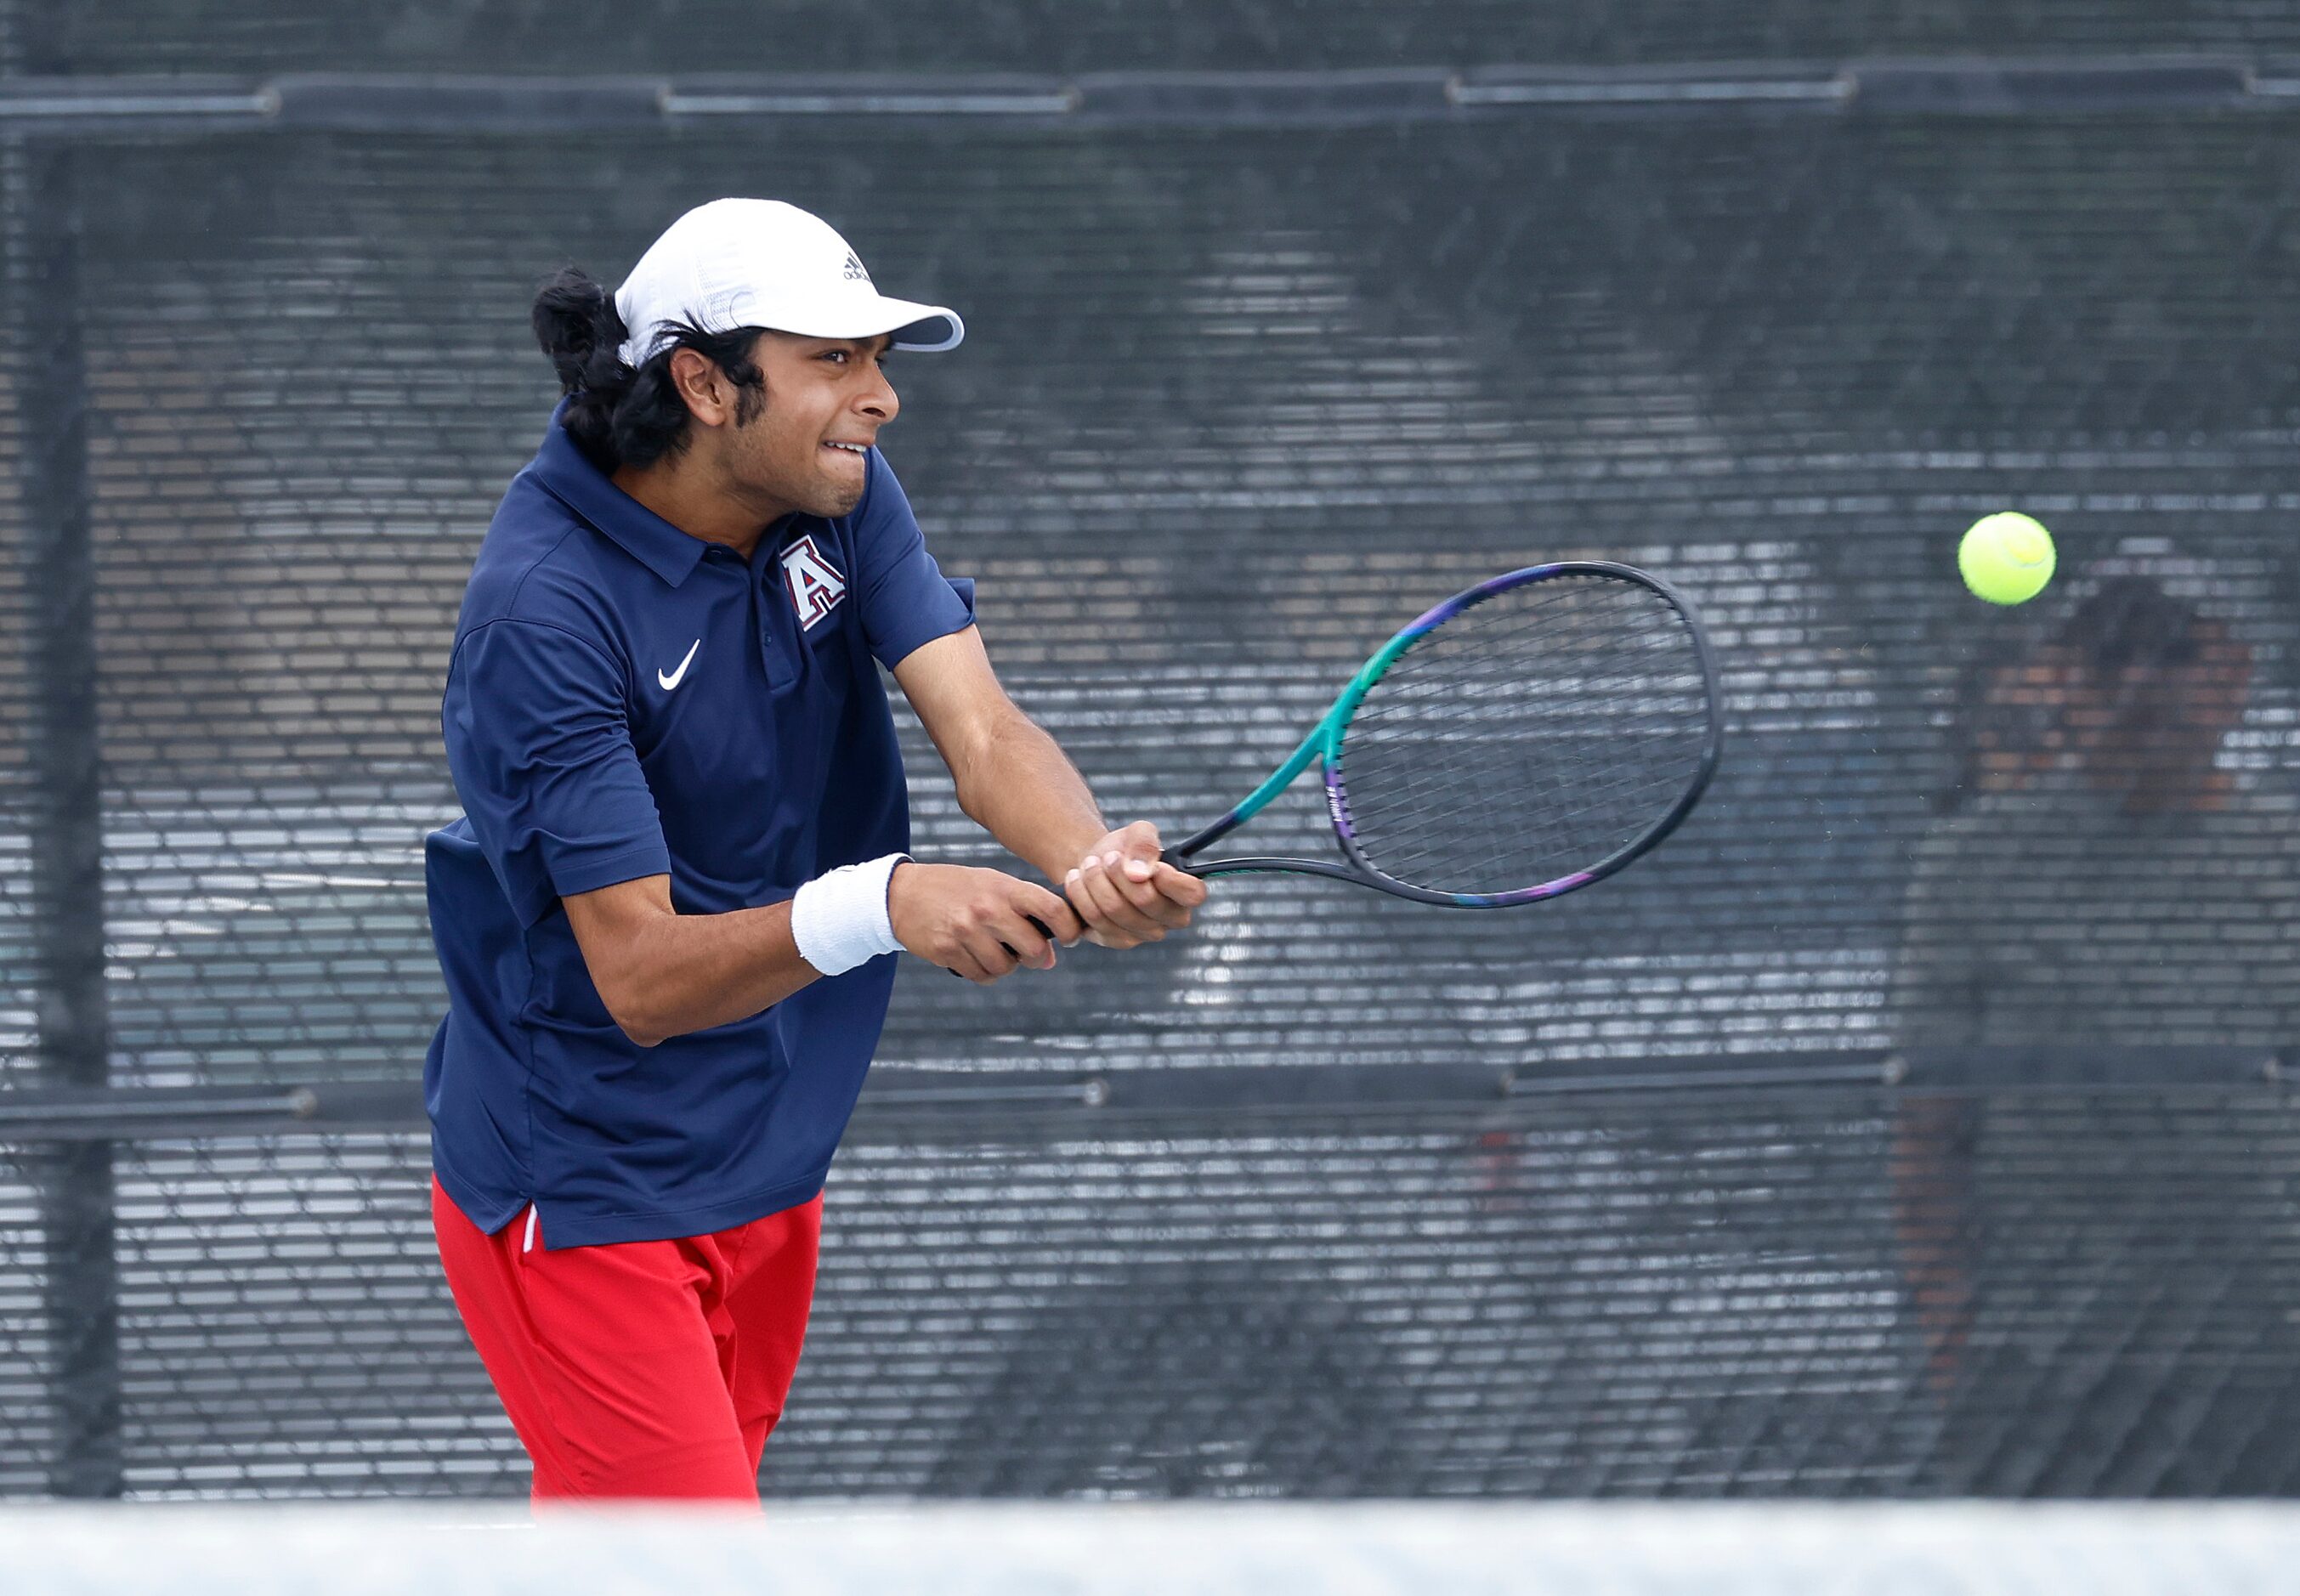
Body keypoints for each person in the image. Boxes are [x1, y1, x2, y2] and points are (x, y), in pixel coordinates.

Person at [420, 198, 1206, 1503]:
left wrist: (1086, 860)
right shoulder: (543, 615)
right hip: (589, 1175)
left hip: (767, 1147)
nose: (880, 398)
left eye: (878, 359)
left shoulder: (834, 489)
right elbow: (641, 977)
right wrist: (884, 903)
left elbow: (984, 727)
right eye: (833, 360)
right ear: (703, 384)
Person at [1890, 571, 2298, 1489]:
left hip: (2270, 1352)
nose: (2142, 681)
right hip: (2049, 1364)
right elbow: (1929, 1134)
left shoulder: (2284, 858)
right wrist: (1954, 1349)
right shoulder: (1976, 865)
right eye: (2111, 655)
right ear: (2062, 677)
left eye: (2174, 652)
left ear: (2234, 675)